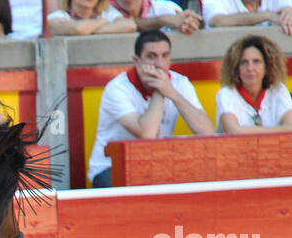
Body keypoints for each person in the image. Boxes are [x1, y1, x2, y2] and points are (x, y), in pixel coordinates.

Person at [87, 29, 214, 188]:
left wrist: (173, 94)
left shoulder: (180, 83)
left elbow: (207, 131)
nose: (159, 64)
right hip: (110, 168)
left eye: (165, 56)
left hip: (157, 164)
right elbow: (147, 135)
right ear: (137, 61)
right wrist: (160, 91)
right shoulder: (117, 89)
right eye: (151, 57)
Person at [215, 33, 292, 132]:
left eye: (256, 62)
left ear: (267, 66)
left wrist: (287, 128)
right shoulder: (226, 93)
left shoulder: (279, 90)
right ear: (236, 68)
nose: (250, 68)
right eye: (244, 62)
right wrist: (283, 129)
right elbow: (234, 132)